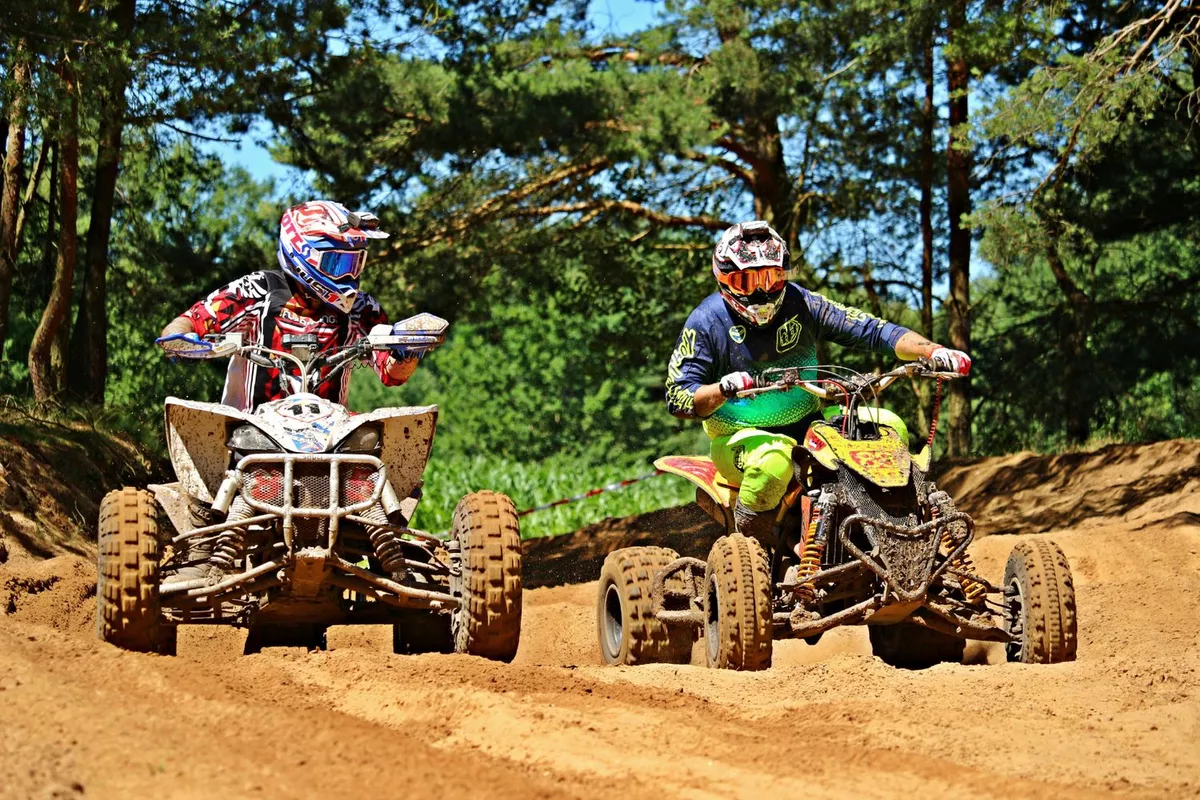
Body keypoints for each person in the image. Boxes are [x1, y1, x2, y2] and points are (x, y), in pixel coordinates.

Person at [665, 220, 971, 544]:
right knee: (773, 463)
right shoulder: (706, 322)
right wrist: (722, 389)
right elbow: (678, 396)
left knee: (891, 427)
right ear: (725, 279)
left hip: (811, 422)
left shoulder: (803, 303)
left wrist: (934, 351)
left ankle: (895, 533)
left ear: (783, 274)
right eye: (746, 280)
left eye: (771, 277)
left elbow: (872, 329)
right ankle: (754, 550)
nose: (760, 291)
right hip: (738, 436)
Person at [157, 199, 424, 410]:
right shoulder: (257, 290)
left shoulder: (361, 309)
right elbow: (193, 318)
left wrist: (406, 351)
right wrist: (180, 339)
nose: (348, 275)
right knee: (202, 433)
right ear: (303, 254)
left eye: (354, 263)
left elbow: (392, 375)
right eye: (338, 263)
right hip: (250, 429)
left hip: (331, 436)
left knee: (381, 446)